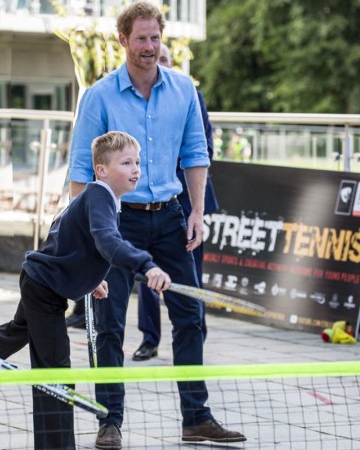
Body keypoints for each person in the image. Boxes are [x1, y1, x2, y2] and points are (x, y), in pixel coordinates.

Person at [68, 2, 246, 448]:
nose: (149, 47)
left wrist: (196, 211)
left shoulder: (184, 90)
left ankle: (196, 417)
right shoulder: (99, 96)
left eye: (155, 38)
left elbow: (196, 154)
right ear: (123, 40)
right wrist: (84, 237)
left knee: (191, 316)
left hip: (170, 217)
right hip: (113, 221)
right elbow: (79, 171)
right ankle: (110, 421)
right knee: (108, 322)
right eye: (141, 38)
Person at [0, 130, 172, 450]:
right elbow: (108, 242)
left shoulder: (101, 198)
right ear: (101, 170)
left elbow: (68, 242)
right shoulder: (98, 195)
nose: (136, 169)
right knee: (54, 373)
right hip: (44, 288)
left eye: (138, 162)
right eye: (126, 162)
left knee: (16, 332)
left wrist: (89, 281)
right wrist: (147, 265)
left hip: (40, 281)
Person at [132, 44, 219, 362]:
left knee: (190, 280)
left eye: (166, 59)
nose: (160, 64)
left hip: (184, 201)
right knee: (146, 275)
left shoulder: (188, 95)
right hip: (144, 206)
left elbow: (203, 147)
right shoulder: (134, 99)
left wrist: (195, 205)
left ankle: (196, 337)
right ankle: (149, 339)